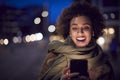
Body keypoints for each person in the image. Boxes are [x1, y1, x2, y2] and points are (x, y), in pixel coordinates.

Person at [39, 0, 115, 80]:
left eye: (86, 27)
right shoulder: (54, 55)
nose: (80, 32)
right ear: (69, 32)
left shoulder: (103, 61)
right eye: (75, 28)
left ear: (93, 31)